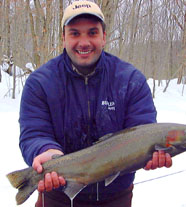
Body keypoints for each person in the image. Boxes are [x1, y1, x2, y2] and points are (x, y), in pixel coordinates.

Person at [19, 1, 172, 207]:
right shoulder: (40, 82)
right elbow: (34, 133)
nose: (84, 42)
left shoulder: (130, 79)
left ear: (104, 37)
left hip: (116, 197)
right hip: (57, 195)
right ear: (63, 38)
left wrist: (151, 153)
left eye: (92, 33)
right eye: (75, 33)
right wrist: (46, 151)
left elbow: (143, 130)